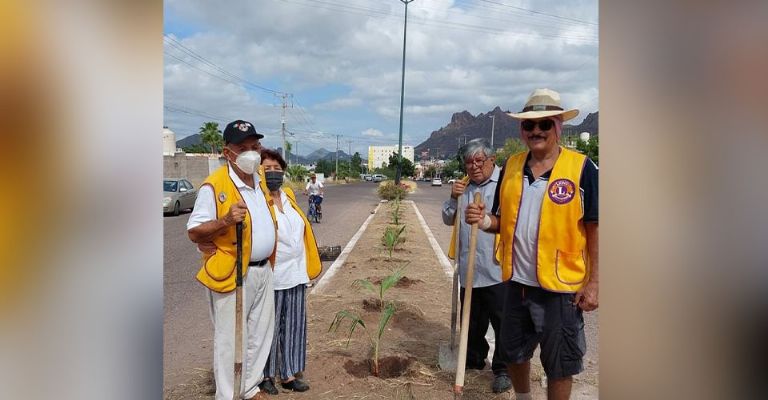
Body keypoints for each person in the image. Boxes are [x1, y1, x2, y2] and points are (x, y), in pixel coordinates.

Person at [465, 89, 599, 400]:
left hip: (560, 286)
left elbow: (595, 226)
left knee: (559, 363)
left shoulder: (581, 168)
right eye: (529, 126)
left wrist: (595, 282)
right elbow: (502, 220)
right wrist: (484, 221)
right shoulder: (511, 167)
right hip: (516, 283)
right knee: (512, 352)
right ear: (521, 131)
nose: (536, 131)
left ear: (557, 127)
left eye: (544, 125)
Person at [187, 120, 278, 400]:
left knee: (260, 334)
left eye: (255, 146)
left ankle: (249, 388)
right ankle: (227, 395)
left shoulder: (259, 179)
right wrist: (225, 220)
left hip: (263, 270)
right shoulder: (214, 185)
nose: (252, 153)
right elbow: (194, 231)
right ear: (228, 153)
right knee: (230, 338)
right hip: (234, 272)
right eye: (243, 148)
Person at [441, 138, 511, 393]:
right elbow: (449, 219)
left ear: (492, 160)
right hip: (469, 269)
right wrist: (452, 197)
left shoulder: (505, 184)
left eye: (479, 161)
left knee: (503, 322)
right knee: (471, 320)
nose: (473, 167)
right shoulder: (464, 186)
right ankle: (473, 360)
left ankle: (503, 370)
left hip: (496, 266)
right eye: (469, 162)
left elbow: (511, 220)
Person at [256, 149, 322, 395]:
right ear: (258, 171)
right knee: (269, 329)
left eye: (277, 169)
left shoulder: (289, 196)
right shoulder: (257, 200)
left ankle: (289, 374)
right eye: (267, 169)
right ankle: (266, 375)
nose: (273, 173)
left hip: (296, 273)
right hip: (272, 276)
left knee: (294, 326)